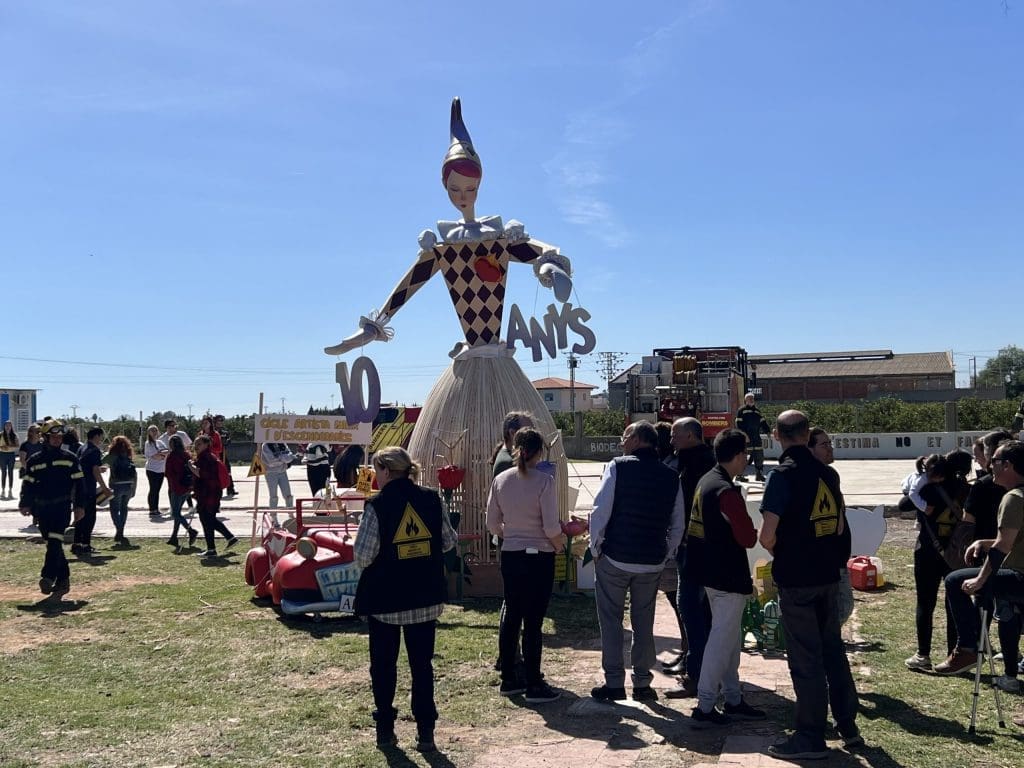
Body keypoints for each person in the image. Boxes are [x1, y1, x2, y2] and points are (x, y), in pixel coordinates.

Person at [759, 410, 860, 760]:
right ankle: (848, 724)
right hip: (827, 575)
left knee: (805, 660)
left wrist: (785, 550)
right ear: (806, 434)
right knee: (832, 650)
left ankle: (810, 737)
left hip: (797, 579)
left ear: (776, 435)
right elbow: (839, 526)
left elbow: (766, 535)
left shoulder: (781, 476)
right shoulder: (828, 474)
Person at [353, 447, 457, 753]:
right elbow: (449, 541)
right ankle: (426, 733)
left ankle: (385, 731)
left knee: (384, 667)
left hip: (386, 601)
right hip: (425, 598)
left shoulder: (377, 505)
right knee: (422, 667)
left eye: (376, 471)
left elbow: (362, 556)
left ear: (386, 470)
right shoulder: (432, 499)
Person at [588, 420, 685, 703]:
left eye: (624, 437)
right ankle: (643, 683)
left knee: (611, 621)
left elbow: (600, 510)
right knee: (644, 622)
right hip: (652, 561)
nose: (621, 442)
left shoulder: (617, 466)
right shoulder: (671, 476)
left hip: (615, 557)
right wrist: (666, 553)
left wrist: (596, 549)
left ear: (636, 439)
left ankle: (614, 683)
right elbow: (678, 523)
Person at [686, 428, 765, 727]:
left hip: (708, 572)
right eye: (745, 453)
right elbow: (747, 538)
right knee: (721, 641)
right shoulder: (726, 492)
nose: (747, 459)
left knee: (729, 639)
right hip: (727, 575)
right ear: (738, 455)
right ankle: (705, 705)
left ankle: (733, 698)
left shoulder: (706, 481)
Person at [937, 441, 1024, 701]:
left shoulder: (1013, 498)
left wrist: (979, 579)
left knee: (954, 581)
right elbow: (1012, 539)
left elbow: (1002, 547)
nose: (988, 466)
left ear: (1008, 466)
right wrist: (983, 542)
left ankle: (968, 648)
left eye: (994, 461)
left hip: (1020, 576)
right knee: (1006, 613)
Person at [486, 427, 565, 703]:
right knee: (533, 620)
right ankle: (534, 682)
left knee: (512, 614)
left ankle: (509, 677)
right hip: (539, 555)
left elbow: (492, 523)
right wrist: (559, 544)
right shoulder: (545, 481)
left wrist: (512, 534)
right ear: (539, 452)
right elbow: (551, 526)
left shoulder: (501, 479)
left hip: (512, 554)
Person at [904, 451, 971, 671]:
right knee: (954, 602)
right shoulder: (967, 490)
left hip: (928, 549)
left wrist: (917, 482)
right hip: (957, 552)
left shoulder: (929, 488)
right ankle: (954, 653)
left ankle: (923, 654)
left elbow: (903, 504)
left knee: (925, 602)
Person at [666, 416, 716, 699]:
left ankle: (696, 675)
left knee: (691, 610)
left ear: (691, 436)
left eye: (676, 434)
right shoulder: (698, 462)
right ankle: (703, 671)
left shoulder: (696, 466)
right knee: (701, 611)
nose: (671, 439)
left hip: (694, 548)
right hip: (699, 547)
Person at [18, 418, 85, 597]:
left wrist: (79, 506)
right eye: (54, 437)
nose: (57, 440)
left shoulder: (70, 458)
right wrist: (24, 503)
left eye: (60, 437)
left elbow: (80, 484)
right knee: (52, 544)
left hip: (61, 508)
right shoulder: (35, 460)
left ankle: (47, 577)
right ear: (45, 438)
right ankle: (63, 579)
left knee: (55, 541)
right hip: (42, 509)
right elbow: (28, 483)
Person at [809, 428, 855, 626]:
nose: (830, 448)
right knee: (842, 606)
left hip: (838, 557)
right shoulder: (813, 478)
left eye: (830, 443)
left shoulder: (831, 475)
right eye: (824, 444)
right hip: (828, 559)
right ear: (810, 449)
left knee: (841, 607)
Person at [192, 435, 239, 558]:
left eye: (199, 444)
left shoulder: (207, 458)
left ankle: (216, 546)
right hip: (208, 493)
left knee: (207, 519)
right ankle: (217, 545)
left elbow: (203, 474)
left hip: (209, 493)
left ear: (206, 445)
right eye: (195, 444)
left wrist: (191, 467)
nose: (196, 446)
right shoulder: (206, 457)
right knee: (207, 519)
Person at [72, 427, 109, 556]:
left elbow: (87, 466)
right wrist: (104, 488)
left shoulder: (82, 448)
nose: (101, 440)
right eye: (101, 437)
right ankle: (85, 544)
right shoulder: (94, 450)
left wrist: (98, 468)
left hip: (78, 487)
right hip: (88, 487)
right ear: (96, 436)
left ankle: (77, 544)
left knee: (79, 516)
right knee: (89, 517)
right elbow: (94, 471)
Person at [164, 435, 199, 550]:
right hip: (187, 486)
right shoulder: (186, 455)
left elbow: (168, 473)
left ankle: (191, 531)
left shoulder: (171, 456)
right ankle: (174, 536)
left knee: (175, 513)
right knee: (178, 512)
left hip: (176, 487)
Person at [106, 435, 137, 547]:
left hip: (116, 485)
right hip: (128, 485)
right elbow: (134, 473)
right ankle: (121, 531)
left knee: (114, 509)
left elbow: (101, 464)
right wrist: (134, 489)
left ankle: (119, 528)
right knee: (124, 508)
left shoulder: (112, 456)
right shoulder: (128, 455)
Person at [735, 392, 770, 482]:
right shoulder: (741, 410)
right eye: (749, 398)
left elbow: (763, 422)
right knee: (744, 457)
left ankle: (759, 475)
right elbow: (738, 424)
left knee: (759, 456)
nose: (751, 400)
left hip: (756, 437)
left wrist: (768, 431)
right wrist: (744, 435)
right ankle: (739, 475)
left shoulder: (757, 411)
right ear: (745, 400)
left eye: (752, 398)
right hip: (746, 438)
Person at [160, 419, 193, 508]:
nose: (174, 427)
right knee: (171, 487)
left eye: (175, 425)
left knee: (185, 485)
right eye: (171, 426)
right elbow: (161, 451)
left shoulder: (182, 434)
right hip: (170, 465)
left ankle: (190, 506)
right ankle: (173, 506)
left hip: (183, 465)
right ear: (166, 427)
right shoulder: (162, 438)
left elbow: (189, 446)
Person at [491, 412, 534, 476]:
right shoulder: (508, 463)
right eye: (528, 431)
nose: (534, 436)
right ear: (512, 433)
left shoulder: (514, 457)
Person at [143, 425, 168, 519]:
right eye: (152, 430)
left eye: (155, 430)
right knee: (153, 489)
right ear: (148, 432)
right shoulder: (148, 443)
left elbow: (167, 451)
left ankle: (156, 509)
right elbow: (154, 456)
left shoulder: (160, 442)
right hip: (152, 469)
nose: (154, 432)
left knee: (157, 490)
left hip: (161, 470)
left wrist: (161, 454)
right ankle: (152, 509)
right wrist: (161, 454)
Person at [261, 442, 296, 510]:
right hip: (271, 473)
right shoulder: (265, 445)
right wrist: (284, 459)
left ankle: (290, 512)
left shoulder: (282, 443)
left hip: (282, 471)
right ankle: (273, 514)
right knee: (273, 495)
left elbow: (290, 456)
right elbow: (271, 461)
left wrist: (280, 459)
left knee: (288, 494)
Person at [213, 415, 238, 498]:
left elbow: (229, 440)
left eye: (221, 421)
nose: (220, 423)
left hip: (223, 453)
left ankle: (230, 489)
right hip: (215, 454)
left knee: (228, 470)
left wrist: (226, 441)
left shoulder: (225, 432)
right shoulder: (212, 432)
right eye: (218, 421)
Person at [1, 420, 19, 499]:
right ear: (4, 427)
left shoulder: (14, 435)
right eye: (6, 425)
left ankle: (10, 491)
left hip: (11, 455)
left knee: (10, 472)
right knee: (3, 472)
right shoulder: (1, 435)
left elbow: (18, 445)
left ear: (11, 427)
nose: (8, 427)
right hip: (2, 455)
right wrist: (2, 447)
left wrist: (9, 446)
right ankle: (3, 491)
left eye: (9, 426)